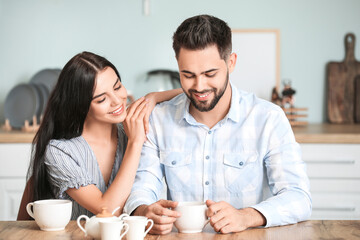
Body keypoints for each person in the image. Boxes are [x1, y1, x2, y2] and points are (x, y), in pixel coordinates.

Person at [124, 15, 312, 234]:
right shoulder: (159, 120)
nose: (199, 86)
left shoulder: (268, 118)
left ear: (231, 62)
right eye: (188, 75)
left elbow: (299, 197)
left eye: (210, 73)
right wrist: (144, 210)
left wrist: (246, 216)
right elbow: (142, 187)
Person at [22, 51, 182, 220]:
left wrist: (153, 97)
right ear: (81, 106)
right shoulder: (59, 151)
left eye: (117, 87)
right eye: (101, 99)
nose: (117, 101)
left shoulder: (129, 123)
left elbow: (193, 93)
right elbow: (107, 209)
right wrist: (135, 143)